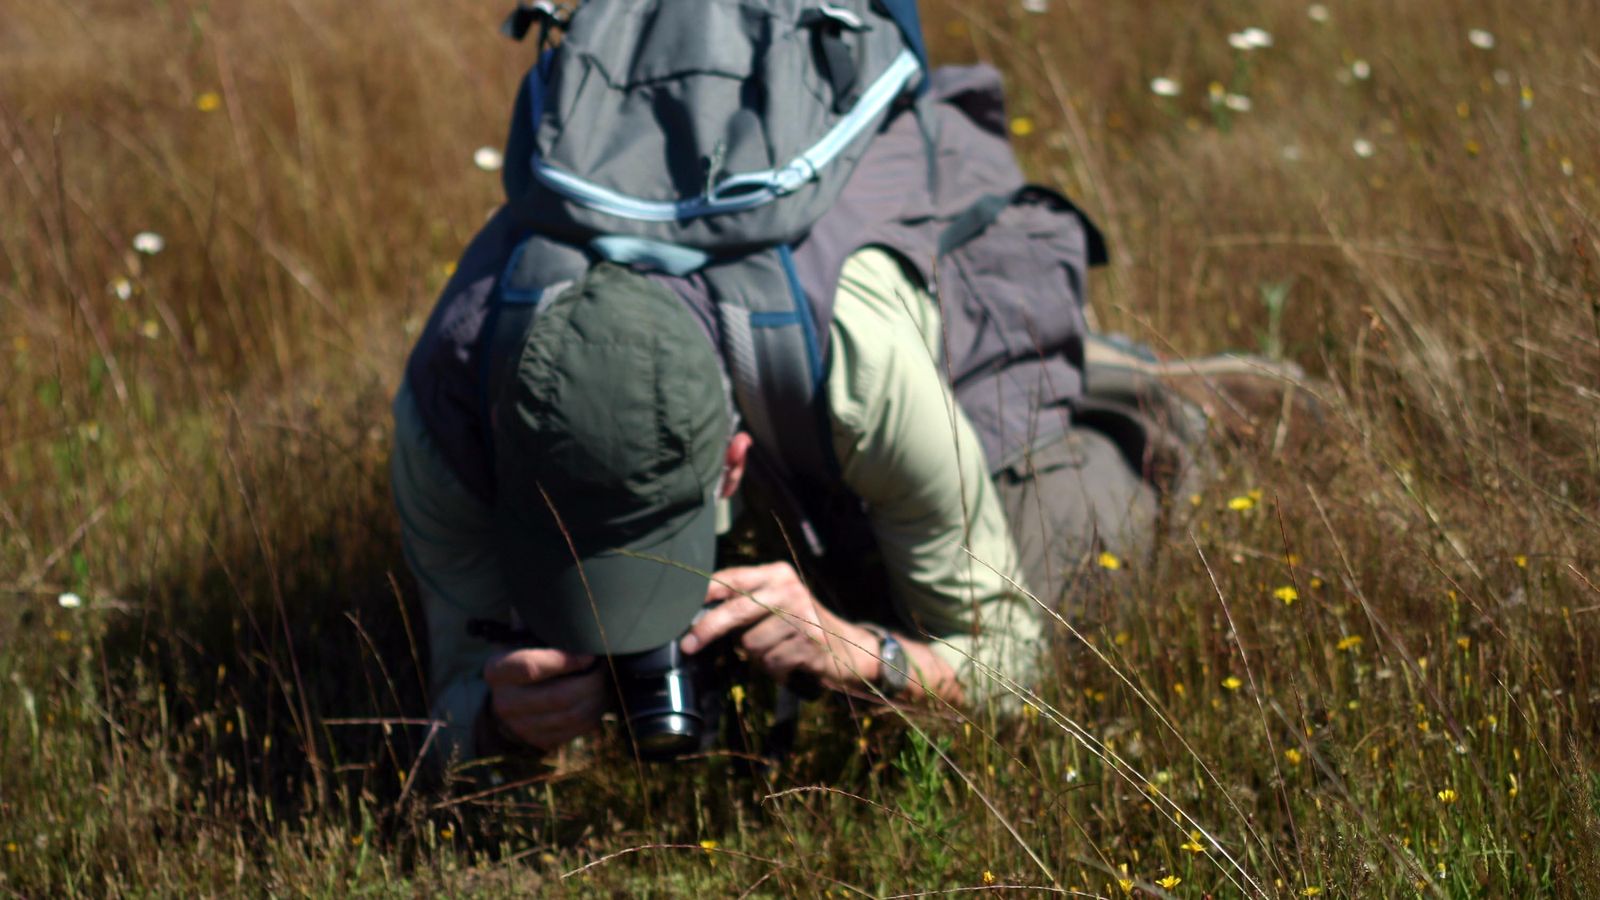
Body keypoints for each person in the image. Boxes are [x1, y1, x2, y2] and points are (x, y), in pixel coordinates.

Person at [390, 45, 1300, 764]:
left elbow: (1008, 661)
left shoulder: (858, 367)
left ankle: (1156, 396)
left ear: (733, 461)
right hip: (801, 398)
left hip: (926, 332)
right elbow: (452, 698)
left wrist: (868, 655)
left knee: (1060, 573)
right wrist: (502, 725)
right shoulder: (446, 418)